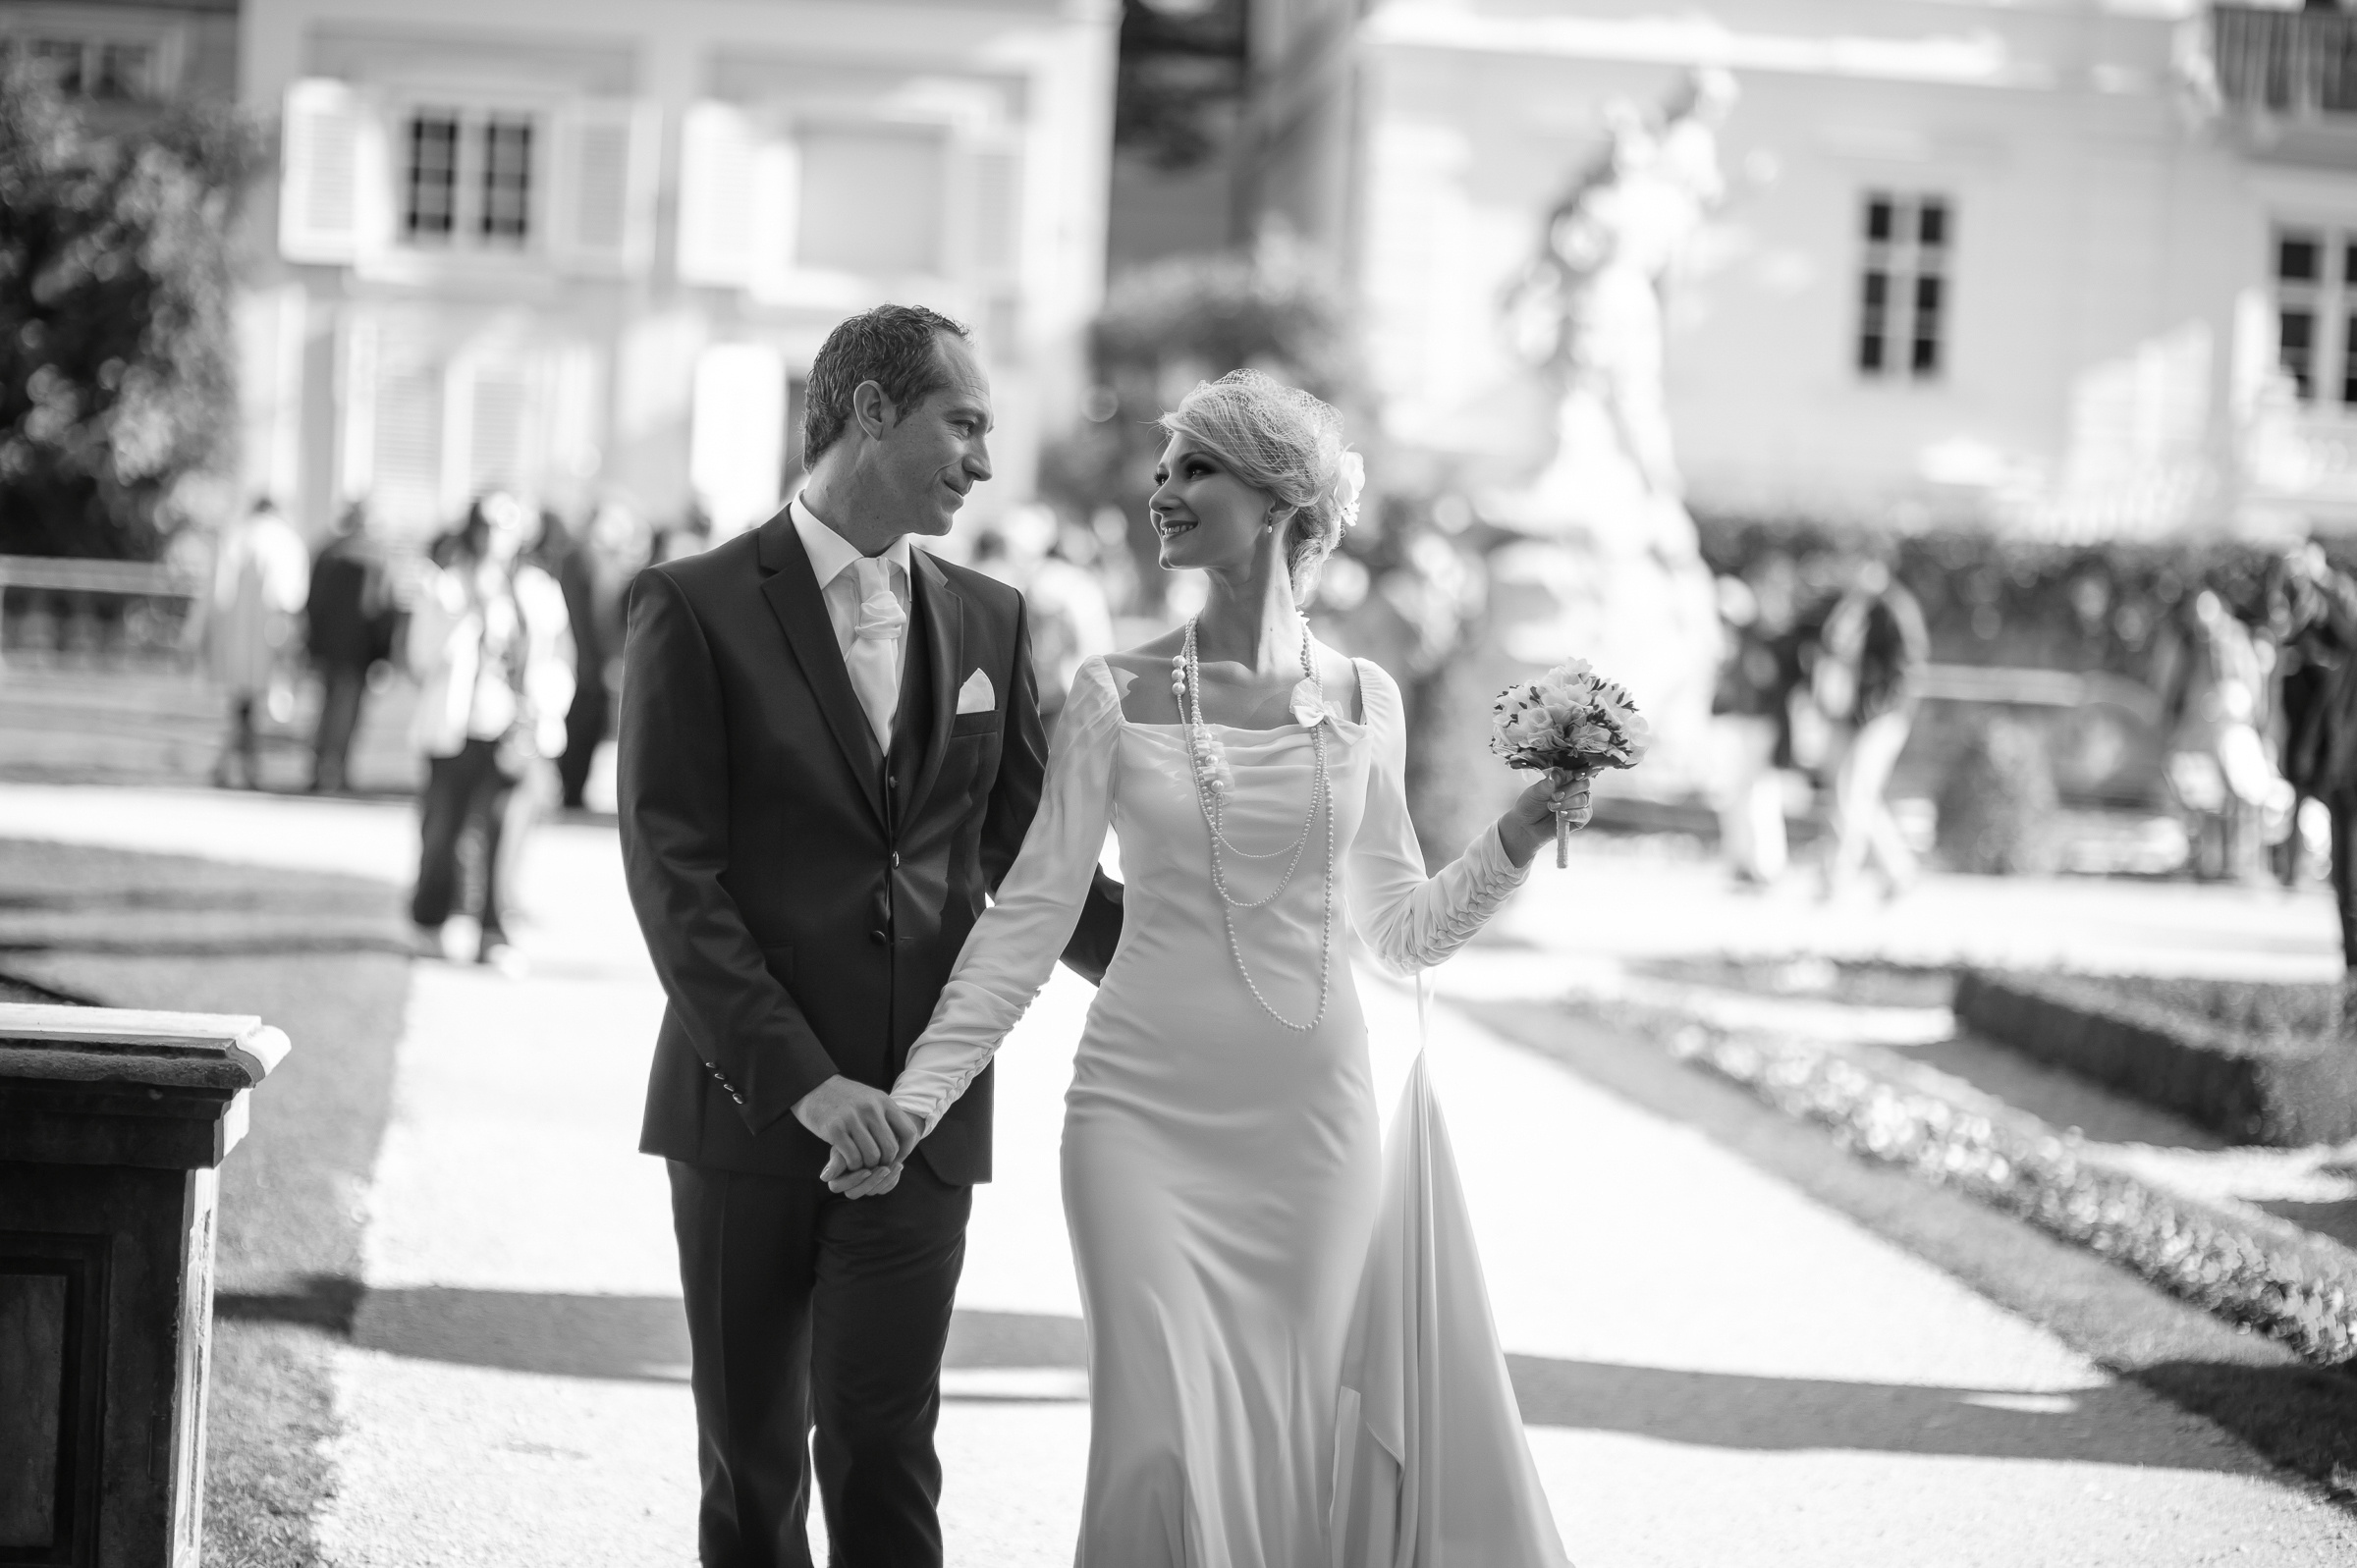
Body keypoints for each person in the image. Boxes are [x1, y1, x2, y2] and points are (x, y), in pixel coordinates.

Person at [836, 370, 1584, 1565]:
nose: (1163, 489)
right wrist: (918, 1098)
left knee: (1296, 1449)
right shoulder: (1113, 693)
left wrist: (1519, 835)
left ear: (1281, 503)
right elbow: (1029, 919)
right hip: (1138, 1120)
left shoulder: (1366, 699)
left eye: (1197, 468)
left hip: (1315, 1134)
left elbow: (1401, 931)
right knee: (1160, 1448)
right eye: (1164, 467)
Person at [617, 304, 1125, 1568]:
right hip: (746, 1111)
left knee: (887, 1447)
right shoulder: (693, 605)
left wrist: (1192, 969)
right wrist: (807, 1084)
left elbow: (1033, 862)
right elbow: (676, 882)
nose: (985, 463)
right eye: (965, 424)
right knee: (752, 1465)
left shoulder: (991, 618)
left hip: (922, 1115)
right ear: (870, 410)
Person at [406, 491, 574, 972]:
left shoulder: (539, 590)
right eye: (487, 526)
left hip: (512, 730)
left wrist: (545, 707)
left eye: (507, 528)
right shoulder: (447, 586)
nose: (496, 538)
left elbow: (560, 656)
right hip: (456, 728)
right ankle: (432, 920)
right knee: (444, 829)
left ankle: (493, 931)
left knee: (505, 831)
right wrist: (464, 613)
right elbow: (420, 659)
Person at [1814, 557, 1928, 898]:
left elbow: (1907, 666)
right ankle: (1898, 871)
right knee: (1859, 795)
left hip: (1880, 717)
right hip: (1854, 715)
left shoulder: (1893, 610)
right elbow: (1831, 646)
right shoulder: (1853, 608)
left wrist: (1879, 708)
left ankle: (1838, 875)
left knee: (1852, 792)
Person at [205, 498, 309, 789]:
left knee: (244, 703)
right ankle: (242, 767)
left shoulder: (238, 535)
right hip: (269, 631)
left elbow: (218, 594)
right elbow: (290, 596)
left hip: (239, 636)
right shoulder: (286, 541)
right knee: (250, 705)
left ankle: (235, 765)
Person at [556, 496, 651, 809]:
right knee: (580, 728)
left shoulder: (603, 563)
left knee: (589, 728)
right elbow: (587, 621)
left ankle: (574, 790)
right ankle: (569, 791)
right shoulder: (581, 561)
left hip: (592, 666)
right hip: (582, 665)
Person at [304, 499, 394, 793]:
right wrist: (382, 652)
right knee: (345, 710)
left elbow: (312, 604)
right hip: (356, 649)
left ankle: (322, 766)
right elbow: (379, 609)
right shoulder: (374, 557)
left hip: (328, 647)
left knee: (328, 707)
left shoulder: (328, 552)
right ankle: (334, 768)